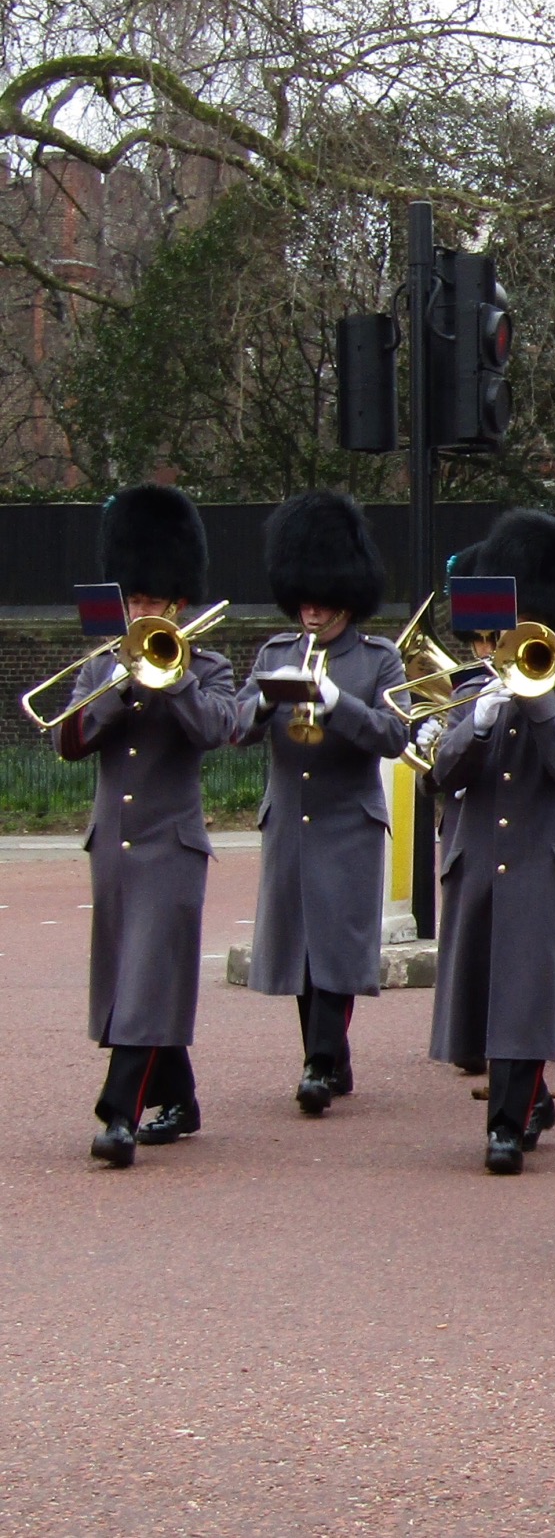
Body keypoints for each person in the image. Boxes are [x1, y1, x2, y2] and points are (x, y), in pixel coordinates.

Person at [59, 485, 240, 1168]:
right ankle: (179, 1096)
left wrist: (172, 682)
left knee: (143, 979)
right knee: (138, 977)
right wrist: (121, 687)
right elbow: (69, 742)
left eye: (153, 603)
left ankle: (116, 1117)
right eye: (134, 601)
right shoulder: (102, 665)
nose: (141, 612)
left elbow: (221, 729)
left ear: (178, 605)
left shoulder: (208, 665)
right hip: (113, 844)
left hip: (172, 845)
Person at [425, 509, 555, 1175]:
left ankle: (505, 1123)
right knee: (485, 995)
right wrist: (481, 717)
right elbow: (443, 772)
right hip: (475, 860)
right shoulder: (471, 694)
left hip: (538, 862)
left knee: (525, 996)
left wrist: (538, 700)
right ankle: (526, 1103)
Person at [233, 491, 408, 1116]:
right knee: (301, 948)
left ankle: (318, 1062)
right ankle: (330, 1055)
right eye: (303, 598)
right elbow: (233, 729)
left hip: (346, 817)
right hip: (290, 815)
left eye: (321, 598)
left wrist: (340, 704)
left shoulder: (378, 660)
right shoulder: (275, 655)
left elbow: (396, 735)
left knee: (337, 942)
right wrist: (258, 704)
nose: (310, 609)